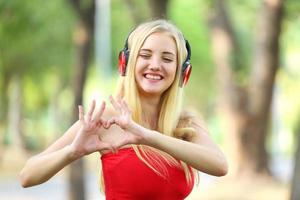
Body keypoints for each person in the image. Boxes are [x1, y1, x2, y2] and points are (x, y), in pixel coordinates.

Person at [20, 19, 228, 199]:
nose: (155, 65)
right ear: (125, 63)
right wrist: (72, 152)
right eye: (145, 55)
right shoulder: (106, 120)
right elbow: (27, 176)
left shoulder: (185, 124)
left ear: (182, 72)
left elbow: (220, 166)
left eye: (167, 58)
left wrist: (146, 136)